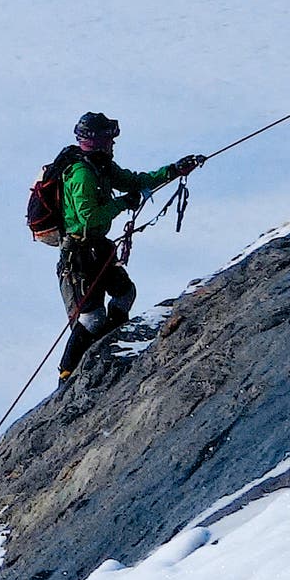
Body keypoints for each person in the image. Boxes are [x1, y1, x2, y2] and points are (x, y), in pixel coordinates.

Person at [36, 111, 201, 379]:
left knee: (125, 293)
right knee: (90, 318)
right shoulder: (82, 175)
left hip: (96, 248)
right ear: (98, 140)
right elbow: (89, 219)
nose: (113, 143)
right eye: (109, 138)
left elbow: (134, 181)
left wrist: (173, 170)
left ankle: (113, 343)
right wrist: (125, 202)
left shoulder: (100, 167)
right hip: (78, 255)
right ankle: (66, 374)